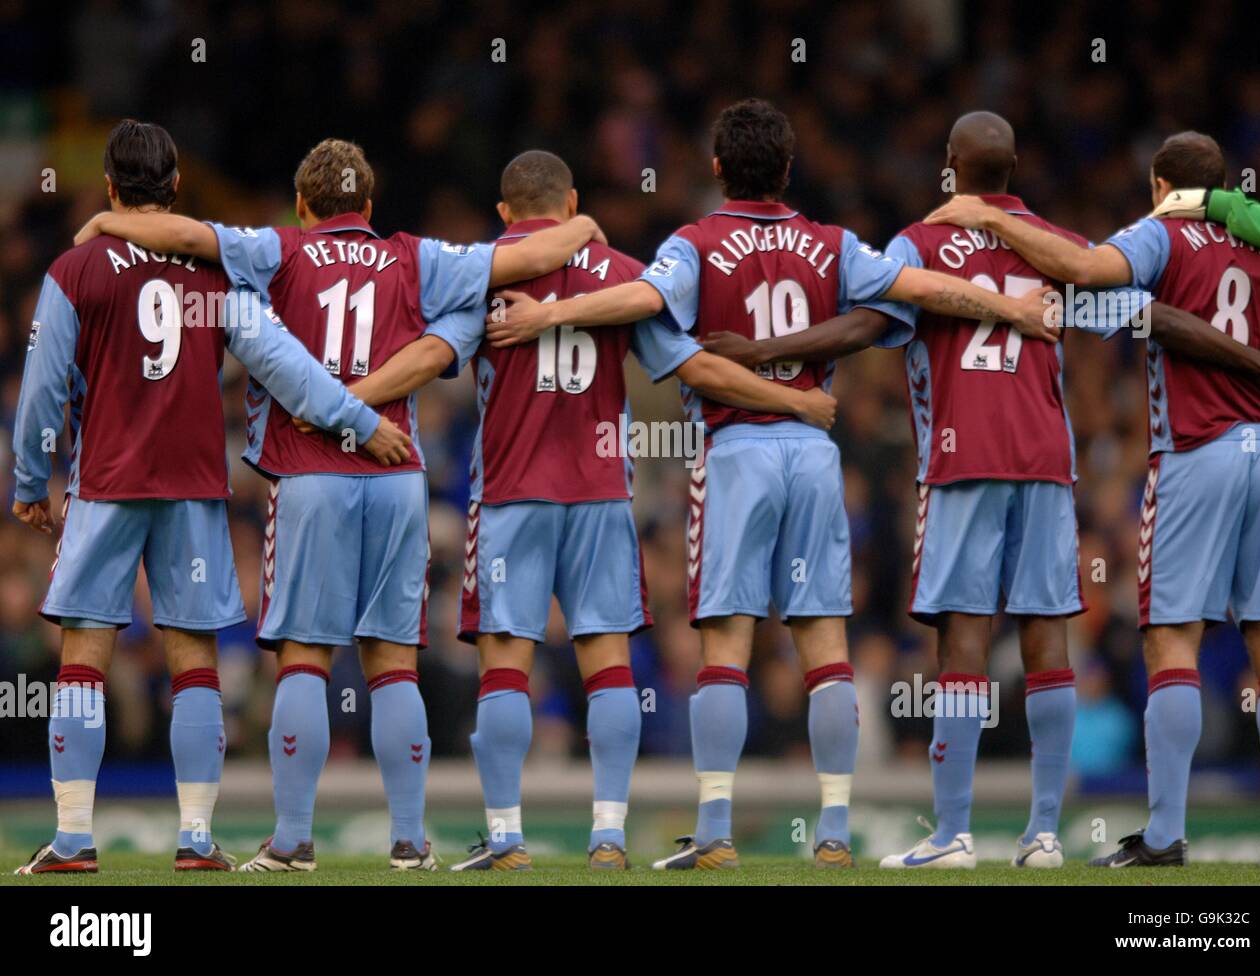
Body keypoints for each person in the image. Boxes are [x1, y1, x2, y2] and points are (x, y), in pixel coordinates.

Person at [702, 113, 1260, 870]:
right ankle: (1044, 834)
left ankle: (952, 834)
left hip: (960, 459)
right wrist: (1257, 363)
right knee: (1049, 631)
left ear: (952, 166)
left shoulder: (919, 243)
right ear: (1013, 170)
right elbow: (1150, 314)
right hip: (1048, 459)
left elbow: (860, 327)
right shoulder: (1061, 248)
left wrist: (764, 354)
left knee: (965, 637)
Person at [487, 98, 1059, 870]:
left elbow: (641, 302)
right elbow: (921, 289)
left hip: (735, 450)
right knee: (824, 642)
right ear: (789, 169)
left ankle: (716, 828)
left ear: (718, 168)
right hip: (814, 452)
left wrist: (551, 316)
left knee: (727, 641)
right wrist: (1007, 307)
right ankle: (831, 831)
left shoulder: (694, 243)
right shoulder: (831, 244)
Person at [75, 138, 603, 872]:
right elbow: (518, 260)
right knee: (393, 664)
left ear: (302, 203)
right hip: (397, 473)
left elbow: (187, 233)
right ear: (370, 207)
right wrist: (580, 227)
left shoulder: (278, 250)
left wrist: (109, 223)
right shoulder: (415, 257)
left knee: (304, 660)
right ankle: (412, 841)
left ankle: (293, 839)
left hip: (311, 470)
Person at [336, 149, 836, 871]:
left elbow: (429, 356)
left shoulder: (486, 273)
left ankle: (507, 838)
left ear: (506, 212)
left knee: (506, 664)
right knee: (608, 665)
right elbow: (692, 366)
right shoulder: (626, 275)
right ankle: (608, 836)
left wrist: (345, 403)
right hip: (601, 493)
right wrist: (794, 399)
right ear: (570, 205)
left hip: (510, 493)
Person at [12, 120, 410, 875]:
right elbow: (283, 365)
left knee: (84, 655)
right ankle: (196, 838)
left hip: (107, 484)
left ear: (108, 187)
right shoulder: (215, 276)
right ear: (178, 187)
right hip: (194, 487)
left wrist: (32, 481)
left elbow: (42, 391)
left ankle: (72, 839)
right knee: (193, 659)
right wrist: (360, 421)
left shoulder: (77, 270)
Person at [927, 131, 1260, 868]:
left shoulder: (1162, 234)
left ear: (1162, 184)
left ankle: (1165, 835)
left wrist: (990, 217)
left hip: (1197, 451)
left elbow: (1089, 268)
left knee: (1172, 640)